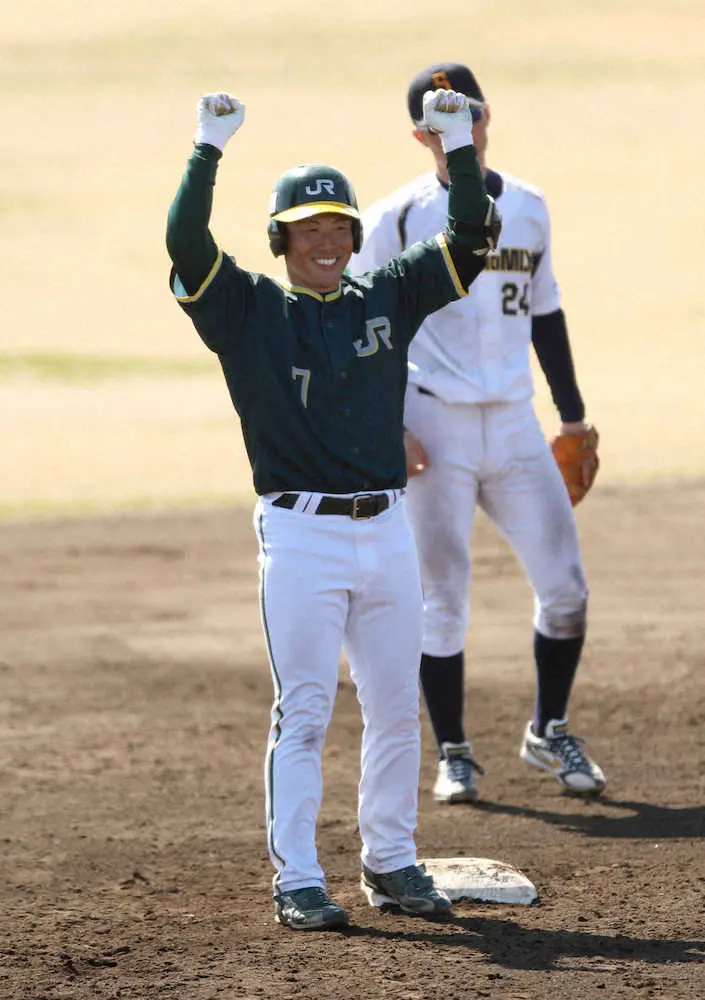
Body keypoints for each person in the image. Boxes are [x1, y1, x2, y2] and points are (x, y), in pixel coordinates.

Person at [166, 90, 500, 929]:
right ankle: (298, 877)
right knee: (306, 708)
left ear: (354, 238)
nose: (324, 241)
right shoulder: (246, 311)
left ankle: (389, 862)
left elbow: (468, 238)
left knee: (394, 705)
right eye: (306, 228)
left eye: (337, 227)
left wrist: (457, 147)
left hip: (386, 529)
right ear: (279, 240)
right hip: (299, 534)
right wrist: (207, 149)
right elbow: (184, 243)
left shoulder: (384, 293)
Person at [349, 62, 606, 805]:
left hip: (516, 421)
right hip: (434, 421)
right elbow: (373, 323)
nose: (465, 127)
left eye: (473, 111)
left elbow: (545, 310)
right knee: (441, 597)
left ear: (487, 114)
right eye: (445, 119)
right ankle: (454, 751)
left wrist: (571, 413)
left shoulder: (528, 206)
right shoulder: (397, 217)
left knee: (566, 590)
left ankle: (547, 729)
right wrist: (388, 423)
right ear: (421, 135)